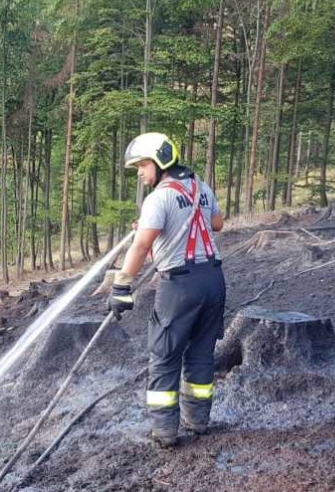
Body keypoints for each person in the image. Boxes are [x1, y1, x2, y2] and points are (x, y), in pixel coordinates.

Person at [108, 132, 226, 447]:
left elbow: (142, 245)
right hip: (214, 281)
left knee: (164, 355)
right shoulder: (202, 187)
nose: (139, 172)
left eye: (142, 165)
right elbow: (217, 224)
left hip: (180, 286)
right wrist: (159, 222)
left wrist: (122, 284)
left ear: (160, 162)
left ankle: (164, 431)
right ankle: (198, 421)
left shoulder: (158, 198)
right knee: (202, 352)